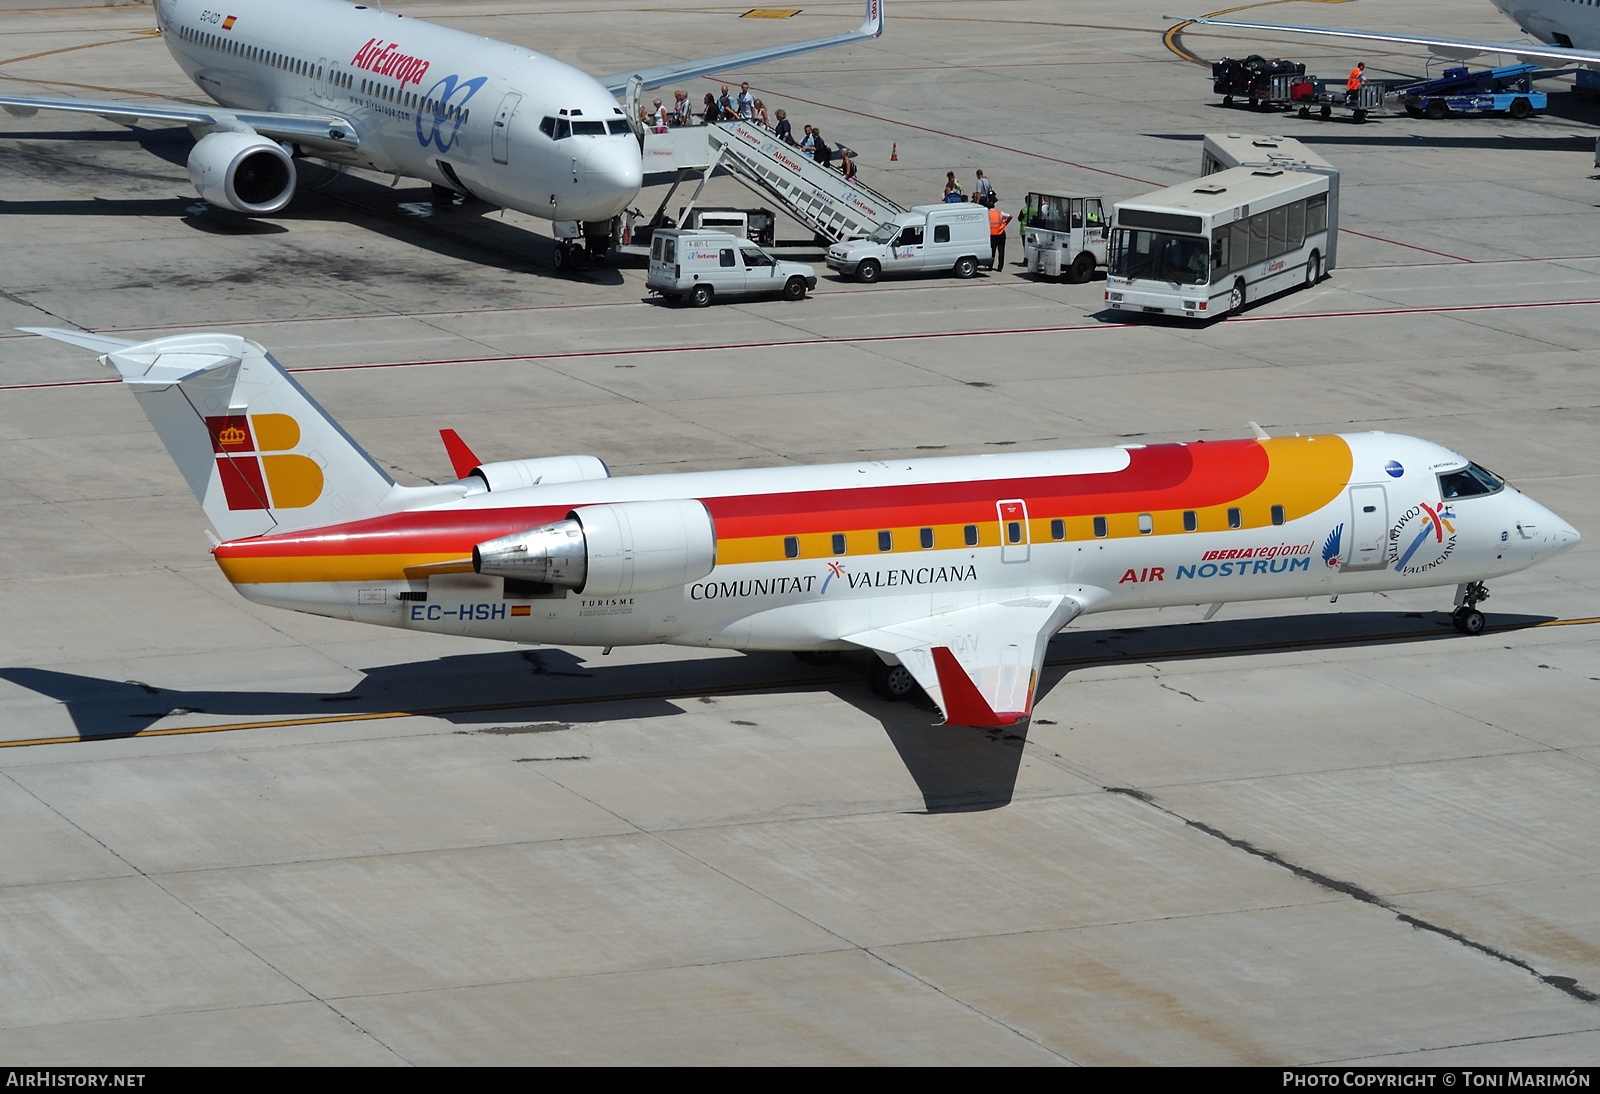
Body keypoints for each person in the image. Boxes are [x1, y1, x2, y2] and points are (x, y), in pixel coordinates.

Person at [988, 204, 1013, 269]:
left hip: (992, 234)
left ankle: (990, 266)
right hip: (1001, 233)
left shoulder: (987, 214)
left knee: (992, 251)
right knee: (1001, 251)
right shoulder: (999, 213)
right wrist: (1005, 224)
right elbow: (1010, 216)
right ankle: (1000, 267)